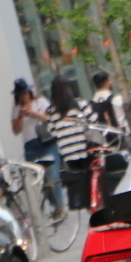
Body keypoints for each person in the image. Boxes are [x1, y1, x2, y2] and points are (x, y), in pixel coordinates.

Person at [11, 78, 66, 218]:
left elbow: (49, 119)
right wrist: (20, 117)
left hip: (46, 142)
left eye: (25, 93)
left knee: (52, 175)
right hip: (30, 145)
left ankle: (60, 206)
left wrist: (34, 114)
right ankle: (54, 206)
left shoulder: (40, 102)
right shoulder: (16, 109)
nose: (23, 96)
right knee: (40, 179)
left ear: (29, 92)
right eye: (20, 94)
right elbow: (16, 131)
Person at [48, 75, 92, 210]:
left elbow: (52, 132)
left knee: (78, 178)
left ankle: (83, 203)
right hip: (85, 148)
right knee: (90, 176)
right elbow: (93, 120)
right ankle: (93, 202)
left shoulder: (52, 111)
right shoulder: (80, 104)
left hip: (68, 153)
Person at [90, 70, 130, 150]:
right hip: (121, 138)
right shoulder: (116, 99)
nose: (111, 83)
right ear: (106, 82)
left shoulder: (91, 104)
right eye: (110, 80)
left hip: (106, 144)